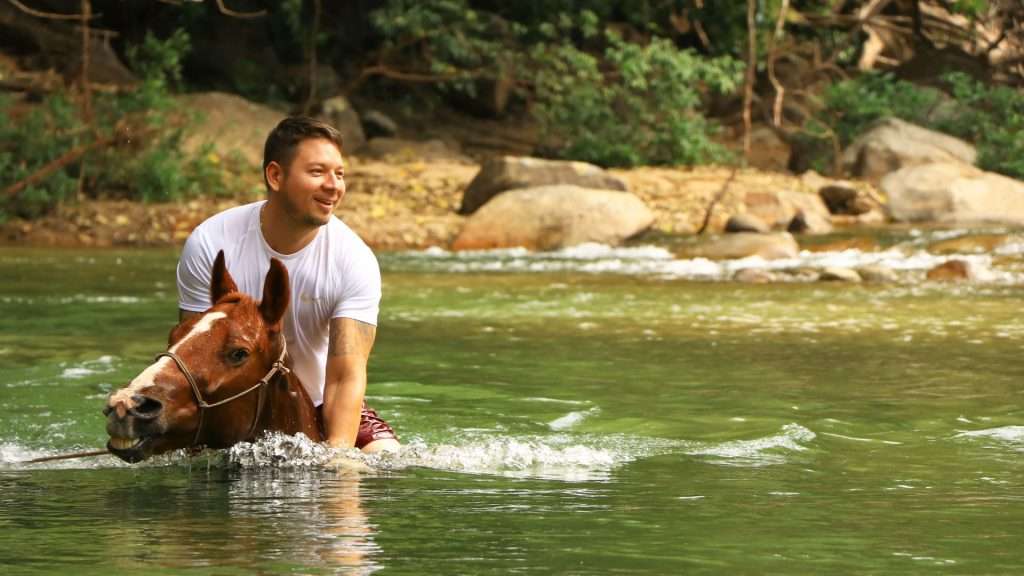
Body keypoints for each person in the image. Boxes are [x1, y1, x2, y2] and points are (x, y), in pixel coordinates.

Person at [176, 116, 399, 453]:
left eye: (339, 174)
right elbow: (194, 355)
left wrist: (337, 457)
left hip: (320, 405)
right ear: (276, 176)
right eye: (317, 172)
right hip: (228, 403)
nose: (334, 186)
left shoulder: (354, 260)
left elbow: (345, 377)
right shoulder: (211, 242)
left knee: (384, 458)